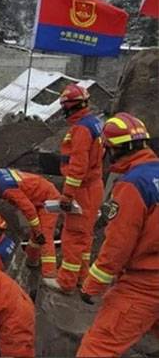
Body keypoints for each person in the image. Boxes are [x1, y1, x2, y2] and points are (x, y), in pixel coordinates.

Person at [77, 113, 159, 356]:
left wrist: (92, 285)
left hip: (144, 283)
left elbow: (117, 246)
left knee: (97, 348)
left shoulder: (133, 184)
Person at [43, 84, 104, 293]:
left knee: (73, 235)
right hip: (94, 187)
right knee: (85, 236)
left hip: (83, 189)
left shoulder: (81, 130)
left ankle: (66, 281)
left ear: (69, 107)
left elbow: (78, 166)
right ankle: (81, 278)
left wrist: (68, 195)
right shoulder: (93, 123)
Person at [0, 168, 58, 278]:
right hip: (40, 192)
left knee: (44, 236)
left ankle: (49, 275)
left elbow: (28, 209)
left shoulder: (7, 189)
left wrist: (38, 231)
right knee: (35, 235)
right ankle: (31, 262)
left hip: (47, 199)